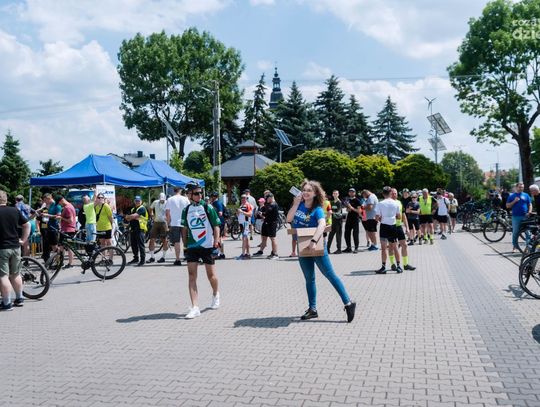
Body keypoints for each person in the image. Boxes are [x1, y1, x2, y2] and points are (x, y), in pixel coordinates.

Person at [286, 180, 356, 322]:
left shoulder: (317, 209)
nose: (305, 192)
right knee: (309, 278)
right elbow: (289, 219)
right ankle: (312, 309)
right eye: (304, 190)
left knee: (330, 275)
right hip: (302, 247)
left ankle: (348, 303)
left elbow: (322, 224)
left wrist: (313, 241)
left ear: (315, 193)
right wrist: (295, 204)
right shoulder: (299, 205)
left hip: (316, 246)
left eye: (309, 190)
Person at [181, 183, 221, 319]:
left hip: (207, 245)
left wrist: (216, 241)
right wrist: (185, 246)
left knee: (211, 275)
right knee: (191, 276)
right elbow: (184, 229)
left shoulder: (207, 207)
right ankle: (195, 307)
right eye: (196, 193)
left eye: (200, 193)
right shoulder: (186, 210)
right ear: (189, 195)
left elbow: (216, 226)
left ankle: (215, 293)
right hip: (192, 246)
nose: (200, 195)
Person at [1, 189, 30, 310]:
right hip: (15, 246)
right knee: (15, 274)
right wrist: (23, 240)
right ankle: (19, 298)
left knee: (3, 276)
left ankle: (7, 303)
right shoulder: (14, 210)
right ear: (6, 199)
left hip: (2, 248)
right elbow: (27, 224)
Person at [375, 186, 402, 274]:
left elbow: (377, 217)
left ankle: (383, 267)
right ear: (390, 193)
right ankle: (399, 266)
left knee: (383, 248)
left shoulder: (380, 203)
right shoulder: (396, 203)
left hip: (384, 226)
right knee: (395, 247)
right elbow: (399, 216)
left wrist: (381, 219)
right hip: (393, 226)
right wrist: (392, 217)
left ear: (383, 194)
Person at [391, 188, 416, 271]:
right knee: (392, 246)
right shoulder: (387, 203)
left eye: (395, 193)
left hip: (399, 226)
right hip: (390, 226)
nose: (394, 195)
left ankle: (405, 264)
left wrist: (407, 227)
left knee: (404, 245)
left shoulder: (399, 202)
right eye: (392, 193)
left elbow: (403, 215)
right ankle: (392, 264)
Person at [165, 187, 190, 266]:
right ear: (180, 190)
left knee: (176, 242)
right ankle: (188, 257)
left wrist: (168, 223)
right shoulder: (185, 199)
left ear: (174, 191)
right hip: (184, 222)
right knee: (185, 241)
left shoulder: (170, 199)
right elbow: (189, 211)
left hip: (174, 223)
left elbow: (167, 213)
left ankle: (178, 259)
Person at [507, 182, 532, 252]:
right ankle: (515, 247)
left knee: (528, 232)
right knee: (515, 232)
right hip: (516, 217)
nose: (521, 188)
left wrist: (529, 211)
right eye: (520, 187)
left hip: (525, 216)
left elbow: (530, 204)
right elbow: (507, 206)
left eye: (522, 187)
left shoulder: (526, 195)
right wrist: (514, 201)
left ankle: (528, 247)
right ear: (516, 187)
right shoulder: (512, 196)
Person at [253, 193, 279, 259]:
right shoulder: (269, 204)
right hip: (266, 222)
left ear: (270, 197)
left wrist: (262, 213)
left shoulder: (273, 204)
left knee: (272, 238)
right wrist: (261, 213)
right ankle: (261, 251)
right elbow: (266, 212)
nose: (266, 200)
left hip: (271, 223)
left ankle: (275, 253)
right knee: (264, 237)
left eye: (267, 198)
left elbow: (267, 212)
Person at [124, 196, 148, 266]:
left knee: (141, 245)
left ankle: (142, 260)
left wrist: (130, 216)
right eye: (136, 201)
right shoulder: (133, 209)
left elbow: (133, 216)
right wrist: (131, 217)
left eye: (138, 201)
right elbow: (128, 218)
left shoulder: (142, 208)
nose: (137, 202)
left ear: (141, 201)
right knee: (133, 245)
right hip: (133, 229)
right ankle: (136, 258)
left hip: (140, 229)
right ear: (134, 201)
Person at [147, 193, 169, 263]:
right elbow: (150, 208)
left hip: (164, 223)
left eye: (163, 200)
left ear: (165, 198)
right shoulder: (156, 202)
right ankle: (152, 257)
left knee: (164, 240)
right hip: (156, 222)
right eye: (161, 200)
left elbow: (170, 212)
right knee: (152, 239)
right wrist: (152, 215)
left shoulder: (167, 203)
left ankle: (163, 257)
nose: (162, 201)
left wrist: (168, 223)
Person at [39, 193, 62, 261]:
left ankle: (59, 261)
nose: (44, 202)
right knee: (47, 245)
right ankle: (48, 260)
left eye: (45, 200)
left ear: (49, 198)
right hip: (47, 228)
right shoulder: (47, 205)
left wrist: (47, 215)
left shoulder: (57, 206)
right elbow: (45, 219)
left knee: (54, 246)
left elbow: (59, 217)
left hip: (53, 228)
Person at [57, 195, 77, 268]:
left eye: (59, 203)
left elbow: (70, 220)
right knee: (65, 247)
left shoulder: (67, 207)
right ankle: (63, 263)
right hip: (68, 229)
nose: (59, 205)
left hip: (67, 230)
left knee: (65, 247)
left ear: (61, 200)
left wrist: (61, 217)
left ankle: (67, 263)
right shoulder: (70, 206)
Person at [342, 188, 361, 253]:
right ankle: (349, 248)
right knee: (346, 233)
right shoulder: (348, 200)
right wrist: (348, 209)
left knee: (355, 234)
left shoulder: (357, 200)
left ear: (355, 193)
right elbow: (348, 210)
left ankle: (356, 248)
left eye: (352, 192)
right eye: (350, 192)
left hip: (355, 219)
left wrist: (351, 208)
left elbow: (359, 211)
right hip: (349, 218)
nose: (351, 193)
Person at [210, 192, 226, 259]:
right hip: (220, 222)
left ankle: (218, 253)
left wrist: (213, 217)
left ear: (214, 197)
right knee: (219, 238)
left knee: (218, 238)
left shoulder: (217, 203)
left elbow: (220, 213)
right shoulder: (216, 203)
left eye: (212, 196)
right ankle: (221, 253)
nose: (211, 198)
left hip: (219, 223)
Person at [237, 194, 253, 259]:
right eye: (242, 198)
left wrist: (242, 212)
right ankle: (247, 253)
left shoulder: (248, 205)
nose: (243, 199)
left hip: (245, 223)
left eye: (244, 198)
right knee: (245, 239)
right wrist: (238, 213)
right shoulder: (241, 205)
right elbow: (239, 214)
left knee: (244, 239)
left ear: (246, 199)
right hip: (241, 224)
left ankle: (244, 254)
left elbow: (250, 214)